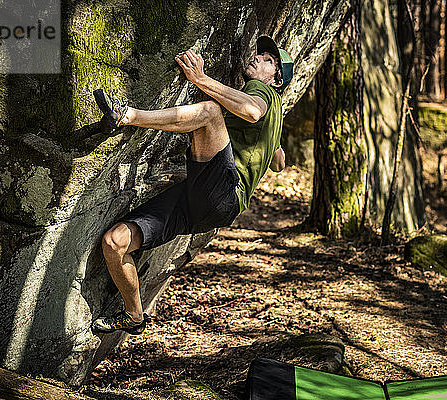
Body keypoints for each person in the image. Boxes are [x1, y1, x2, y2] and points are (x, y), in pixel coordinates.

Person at [91, 36, 294, 335]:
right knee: (115, 242)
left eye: (268, 60)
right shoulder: (275, 118)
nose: (258, 57)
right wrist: (267, 148)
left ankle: (127, 115)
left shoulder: (261, 90)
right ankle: (134, 316)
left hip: (224, 191)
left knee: (210, 113)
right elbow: (280, 162)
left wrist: (199, 78)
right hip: (205, 206)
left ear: (275, 80)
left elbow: (252, 110)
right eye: (260, 53)